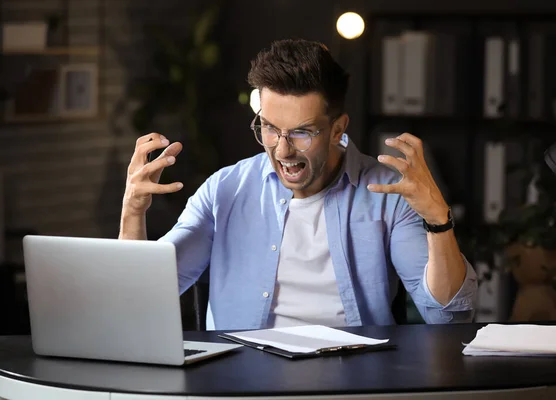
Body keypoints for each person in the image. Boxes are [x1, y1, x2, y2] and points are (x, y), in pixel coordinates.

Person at [119, 39, 477, 330]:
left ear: (338, 129)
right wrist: (133, 213)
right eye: (270, 128)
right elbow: (142, 300)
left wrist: (437, 220)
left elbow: (449, 316)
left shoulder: (387, 194)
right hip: (242, 380)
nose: (282, 149)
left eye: (302, 132)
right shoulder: (225, 189)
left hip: (353, 381)